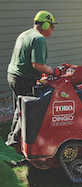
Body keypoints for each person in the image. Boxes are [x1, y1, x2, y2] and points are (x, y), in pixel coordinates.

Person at [6, 10, 61, 147]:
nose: (52, 30)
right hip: (24, 80)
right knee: (26, 113)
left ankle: (12, 141)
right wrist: (54, 71)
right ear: (46, 25)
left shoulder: (25, 34)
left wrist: (45, 70)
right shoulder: (39, 38)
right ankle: (18, 146)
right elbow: (37, 65)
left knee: (19, 110)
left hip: (13, 76)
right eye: (52, 27)